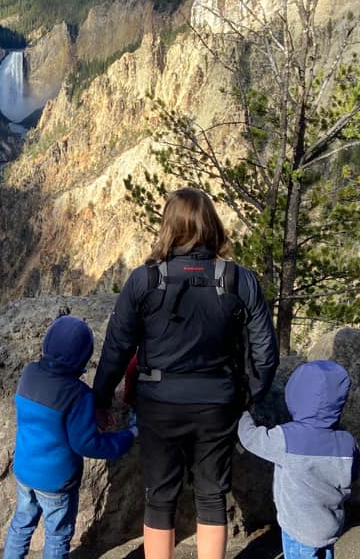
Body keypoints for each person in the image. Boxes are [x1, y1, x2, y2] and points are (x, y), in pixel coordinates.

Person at [92, 187, 278, 559]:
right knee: (212, 495)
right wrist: (249, 396)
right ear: (211, 225)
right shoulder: (240, 280)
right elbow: (265, 352)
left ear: (168, 226)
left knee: (159, 496)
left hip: (158, 404)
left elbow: (117, 348)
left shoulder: (143, 280)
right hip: (217, 403)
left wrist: (100, 397)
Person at [3, 314, 136, 559]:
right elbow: (86, 443)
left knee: (20, 525)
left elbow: (52, 396)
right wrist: (126, 438)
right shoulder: (79, 395)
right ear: (82, 361)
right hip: (56, 483)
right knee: (57, 535)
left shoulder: (29, 373)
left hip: (24, 471)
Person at [238, 360, 360, 559]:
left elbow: (251, 439)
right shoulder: (347, 441)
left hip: (298, 528)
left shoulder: (288, 438)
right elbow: (354, 474)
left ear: (296, 395)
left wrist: (241, 413)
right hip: (330, 524)